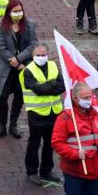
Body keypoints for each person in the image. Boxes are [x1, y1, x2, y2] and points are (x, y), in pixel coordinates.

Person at [0, 0, 37, 140]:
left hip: (23, 67)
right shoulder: (2, 27)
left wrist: (20, 59)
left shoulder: (29, 26)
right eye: (15, 11)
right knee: (2, 98)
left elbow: (33, 44)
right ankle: (2, 125)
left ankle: (13, 125)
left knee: (19, 96)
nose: (18, 14)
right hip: (5, 68)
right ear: (9, 12)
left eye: (20, 10)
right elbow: (0, 47)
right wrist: (14, 61)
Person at [20, 43, 65, 185]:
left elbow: (61, 86)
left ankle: (46, 170)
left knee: (50, 143)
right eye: (38, 55)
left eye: (43, 54)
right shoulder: (28, 71)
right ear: (33, 56)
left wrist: (47, 86)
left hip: (54, 111)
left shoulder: (53, 66)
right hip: (37, 113)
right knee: (34, 142)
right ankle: (32, 171)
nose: (41, 57)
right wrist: (52, 84)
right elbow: (38, 90)